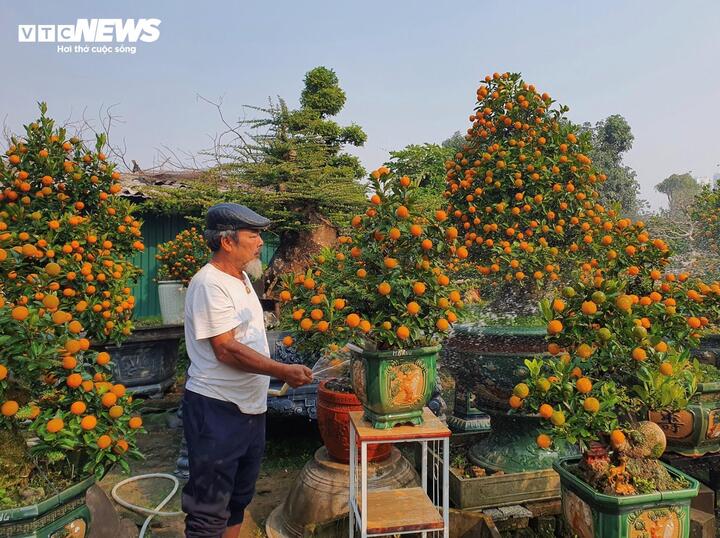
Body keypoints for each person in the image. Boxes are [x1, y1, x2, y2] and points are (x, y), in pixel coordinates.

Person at [182, 202, 313, 538]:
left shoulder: (239, 278)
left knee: (238, 498)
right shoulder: (210, 283)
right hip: (217, 409)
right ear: (227, 241)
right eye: (253, 234)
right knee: (209, 508)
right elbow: (225, 349)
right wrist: (282, 370)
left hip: (248, 408)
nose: (260, 242)